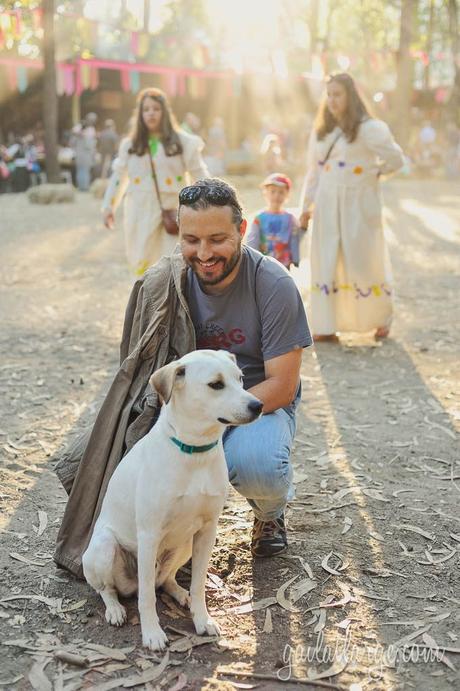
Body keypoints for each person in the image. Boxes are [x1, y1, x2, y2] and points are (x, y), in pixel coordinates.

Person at [54, 178, 312, 577]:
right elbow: (139, 371)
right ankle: (168, 536)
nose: (204, 253)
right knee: (111, 452)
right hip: (180, 405)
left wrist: (208, 424)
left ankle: (269, 514)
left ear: (242, 231)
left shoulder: (273, 285)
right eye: (191, 239)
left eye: (217, 239)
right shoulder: (163, 282)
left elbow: (282, 385)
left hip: (253, 402)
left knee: (258, 464)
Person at [299, 72, 404, 341]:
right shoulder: (322, 131)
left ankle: (379, 318)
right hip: (327, 201)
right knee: (326, 260)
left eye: (338, 94)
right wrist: (305, 206)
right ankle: (325, 324)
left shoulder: (370, 128)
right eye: (329, 94)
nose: (332, 100)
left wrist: (373, 174)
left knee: (364, 259)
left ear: (351, 96)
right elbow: (314, 172)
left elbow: (395, 159)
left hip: (359, 203)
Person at [102, 88, 209, 276]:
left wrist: (212, 203)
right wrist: (109, 206)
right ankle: (148, 303)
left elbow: (200, 175)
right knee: (143, 263)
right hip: (139, 212)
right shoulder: (130, 146)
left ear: (164, 112)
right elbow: (119, 177)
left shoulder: (183, 143)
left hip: (173, 211)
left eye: (156, 109)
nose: (151, 113)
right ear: (140, 114)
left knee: (173, 263)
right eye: (146, 109)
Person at [246, 172, 301, 269]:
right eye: (273, 191)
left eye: (281, 192)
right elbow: (253, 239)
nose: (276, 195)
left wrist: (296, 259)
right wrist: (251, 260)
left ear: (287, 195)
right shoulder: (259, 218)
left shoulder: (290, 219)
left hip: (284, 263)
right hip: (264, 262)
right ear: (265, 193)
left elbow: (295, 238)